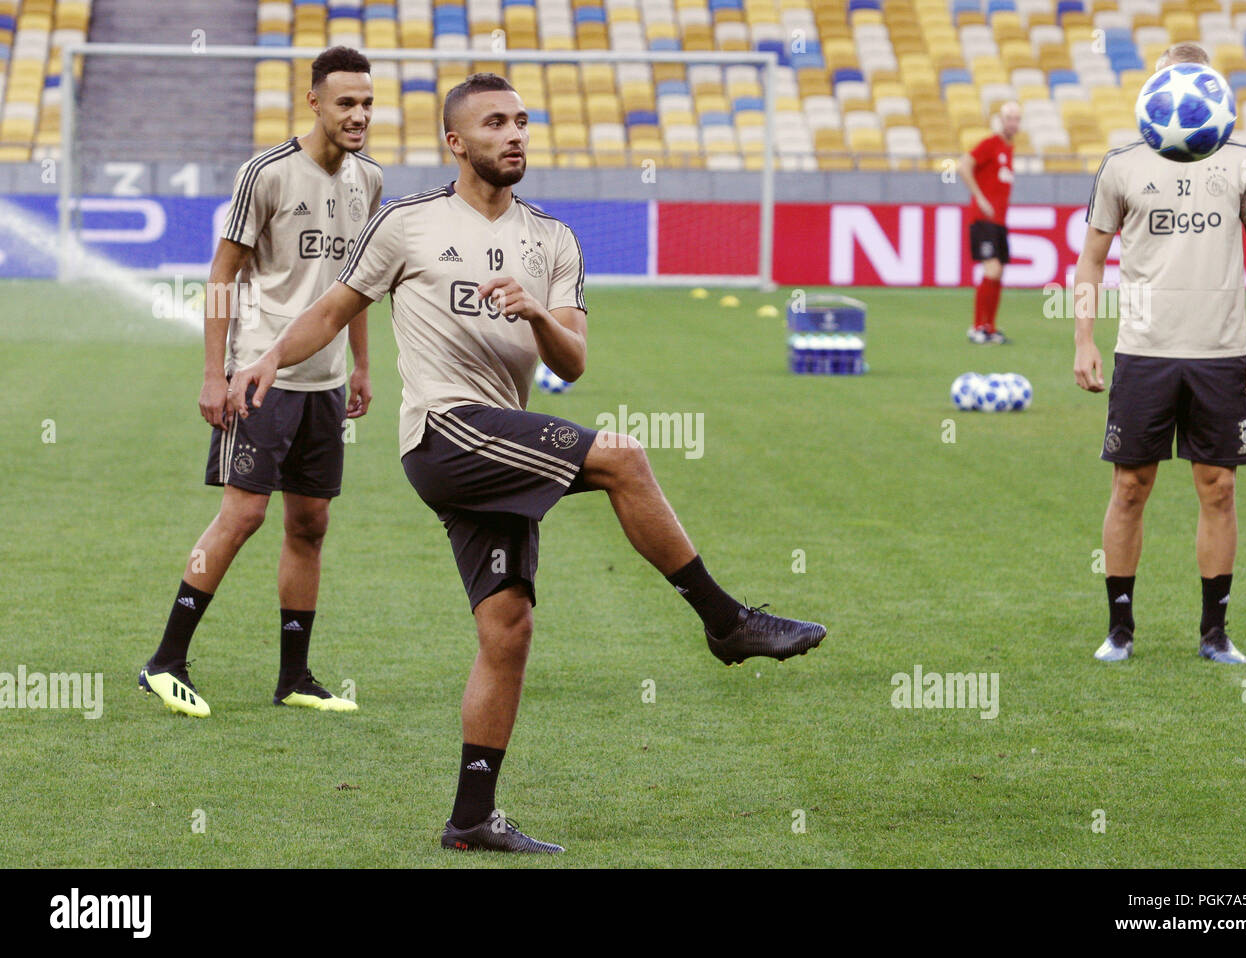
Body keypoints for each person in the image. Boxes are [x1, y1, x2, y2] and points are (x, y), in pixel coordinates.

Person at [226, 73, 827, 853]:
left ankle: (471, 818)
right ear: (455, 143)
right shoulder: (405, 224)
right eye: (494, 124)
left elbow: (572, 363)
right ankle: (727, 621)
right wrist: (269, 357)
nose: (514, 135)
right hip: (445, 433)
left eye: (521, 121)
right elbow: (334, 310)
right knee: (623, 457)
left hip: (497, 434)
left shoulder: (554, 240)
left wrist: (538, 310)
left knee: (507, 629)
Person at [138, 47, 384, 716]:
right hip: (259, 376)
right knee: (243, 513)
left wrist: (360, 365)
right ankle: (165, 662)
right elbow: (221, 277)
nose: (359, 114)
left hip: (324, 384)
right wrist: (214, 373)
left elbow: (354, 289)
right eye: (346, 103)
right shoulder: (266, 174)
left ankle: (295, 679)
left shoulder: (371, 181)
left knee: (309, 523)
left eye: (366, 102)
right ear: (314, 102)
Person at [1073, 42, 1246, 665]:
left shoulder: (1243, 160)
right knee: (1130, 486)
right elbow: (1091, 257)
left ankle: (1214, 633)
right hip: (1144, 351)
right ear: (1155, 89)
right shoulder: (1122, 165)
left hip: (1219, 354)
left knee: (1218, 489)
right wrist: (1083, 337)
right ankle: (1120, 631)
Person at [959, 101, 1021, 345]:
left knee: (999, 273)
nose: (1013, 123)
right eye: (1009, 118)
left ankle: (990, 327)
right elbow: (964, 166)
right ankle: (976, 327)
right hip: (983, 219)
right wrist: (980, 198)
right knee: (992, 270)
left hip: (998, 222)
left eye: (1017, 119)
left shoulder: (1009, 149)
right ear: (1001, 120)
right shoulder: (991, 144)